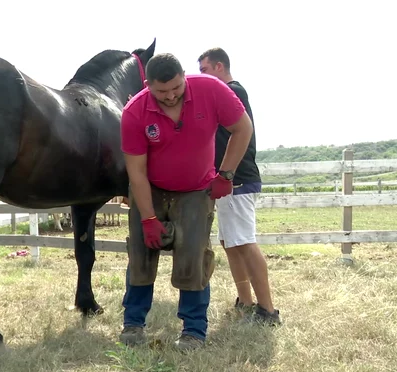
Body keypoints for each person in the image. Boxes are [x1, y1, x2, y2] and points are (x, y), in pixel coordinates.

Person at [119, 52, 253, 351]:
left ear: (184, 75)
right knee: (140, 255)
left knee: (193, 257)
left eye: (176, 88)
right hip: (151, 188)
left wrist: (226, 174)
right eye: (161, 91)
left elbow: (242, 128)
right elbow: (136, 172)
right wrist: (148, 218)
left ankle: (194, 330)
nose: (170, 96)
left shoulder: (212, 89)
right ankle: (133, 323)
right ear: (147, 85)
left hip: (196, 190)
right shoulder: (134, 111)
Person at [197, 47, 280, 325]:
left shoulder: (233, 91)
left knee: (244, 243)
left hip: (237, 179)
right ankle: (245, 301)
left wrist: (227, 174)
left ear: (220, 66)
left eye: (205, 70)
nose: (203, 76)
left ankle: (267, 310)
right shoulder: (224, 94)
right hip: (229, 180)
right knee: (230, 243)